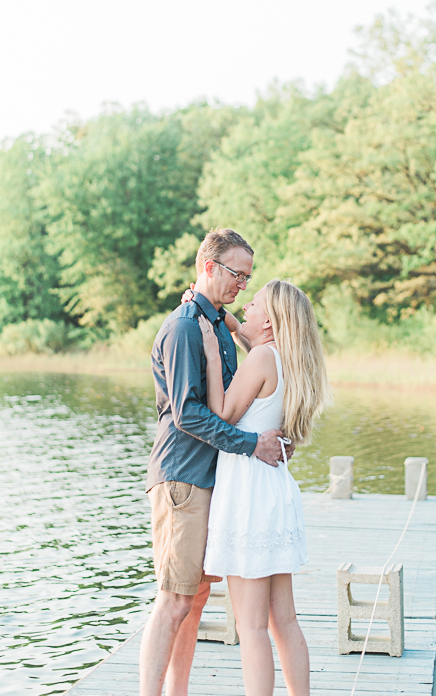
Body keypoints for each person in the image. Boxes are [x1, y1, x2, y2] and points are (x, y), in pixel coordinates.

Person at [138, 228, 288, 696]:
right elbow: (187, 414)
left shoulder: (216, 324)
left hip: (209, 478)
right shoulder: (186, 327)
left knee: (196, 598)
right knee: (174, 599)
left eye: (248, 278)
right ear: (208, 266)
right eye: (235, 274)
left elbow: (242, 385)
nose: (242, 285)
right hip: (182, 478)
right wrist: (251, 444)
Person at [197, 279, 331, 696]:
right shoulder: (289, 360)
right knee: (283, 620)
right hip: (273, 492)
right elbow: (247, 329)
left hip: (249, 495)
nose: (245, 310)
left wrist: (210, 357)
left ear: (269, 322)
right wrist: (216, 313)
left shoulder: (259, 360)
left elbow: (221, 414)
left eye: (252, 305)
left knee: (251, 626)